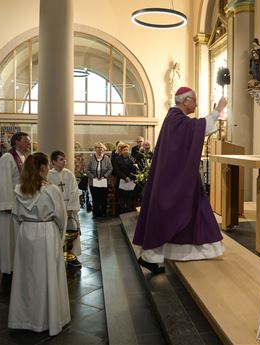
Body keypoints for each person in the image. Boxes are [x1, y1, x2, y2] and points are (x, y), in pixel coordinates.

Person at [133, 87, 228, 273]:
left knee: (194, 209)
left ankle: (186, 251)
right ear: (186, 101)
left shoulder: (175, 119)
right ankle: (151, 256)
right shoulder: (177, 119)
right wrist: (218, 111)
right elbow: (197, 129)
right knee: (176, 213)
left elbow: (196, 130)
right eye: (195, 100)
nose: (197, 104)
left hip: (178, 177)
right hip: (173, 180)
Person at [8, 152, 70, 336]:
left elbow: (16, 216)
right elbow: (61, 217)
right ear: (44, 167)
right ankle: (49, 319)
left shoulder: (20, 190)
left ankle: (25, 318)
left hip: (26, 232)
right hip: (46, 233)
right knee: (48, 276)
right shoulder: (51, 190)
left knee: (27, 278)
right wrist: (59, 236)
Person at [0, 131, 30, 285]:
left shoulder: (23, 158)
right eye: (25, 141)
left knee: (16, 241)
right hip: (9, 207)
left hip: (20, 206)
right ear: (16, 142)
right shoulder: (7, 158)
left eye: (28, 141)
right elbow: (2, 182)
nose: (28, 143)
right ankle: (7, 273)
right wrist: (7, 205)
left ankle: (17, 269)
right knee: (8, 241)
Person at [48, 150, 81, 267]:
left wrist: (70, 208)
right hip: (56, 208)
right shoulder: (49, 175)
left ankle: (72, 255)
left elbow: (74, 191)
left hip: (69, 207)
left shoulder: (69, 174)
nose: (64, 161)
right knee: (57, 232)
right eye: (61, 159)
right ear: (53, 162)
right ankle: (57, 256)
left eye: (64, 159)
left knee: (72, 232)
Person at [86, 142, 112, 218]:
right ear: (95, 149)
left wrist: (104, 176)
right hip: (93, 182)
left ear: (103, 150)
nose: (100, 149)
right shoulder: (91, 158)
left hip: (104, 181)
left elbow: (110, 169)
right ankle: (96, 213)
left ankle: (103, 212)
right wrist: (93, 177)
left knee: (103, 198)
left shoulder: (107, 158)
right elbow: (87, 170)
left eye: (101, 148)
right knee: (95, 198)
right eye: (98, 148)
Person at [114, 143, 137, 213]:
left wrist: (129, 177)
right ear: (121, 151)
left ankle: (128, 209)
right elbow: (117, 170)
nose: (125, 151)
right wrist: (125, 177)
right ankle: (123, 209)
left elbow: (134, 169)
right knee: (122, 196)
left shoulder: (132, 159)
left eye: (127, 149)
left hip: (130, 180)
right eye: (124, 150)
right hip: (121, 180)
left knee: (129, 195)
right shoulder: (117, 159)